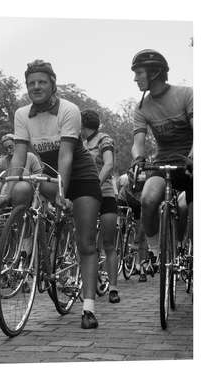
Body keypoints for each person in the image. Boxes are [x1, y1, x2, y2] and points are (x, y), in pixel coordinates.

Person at [8, 60, 102, 329]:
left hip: (81, 178)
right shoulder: (22, 114)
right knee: (23, 187)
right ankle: (28, 245)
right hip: (51, 176)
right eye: (31, 83)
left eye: (42, 82)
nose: (36, 87)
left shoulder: (69, 110)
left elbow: (66, 154)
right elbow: (20, 154)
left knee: (85, 242)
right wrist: (13, 181)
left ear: (52, 84)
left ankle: (88, 308)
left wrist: (62, 191)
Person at [130, 49, 193, 265]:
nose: (135, 78)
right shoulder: (141, 108)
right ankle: (156, 252)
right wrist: (138, 159)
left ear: (155, 72)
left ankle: (185, 249)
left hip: (190, 159)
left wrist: (194, 158)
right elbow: (138, 143)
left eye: (139, 73)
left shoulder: (186, 94)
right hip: (163, 160)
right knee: (148, 199)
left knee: (193, 209)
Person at [81, 109, 120, 303]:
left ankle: (113, 288)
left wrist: (94, 184)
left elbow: (109, 164)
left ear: (82, 125)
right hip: (85, 198)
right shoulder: (79, 144)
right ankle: (88, 281)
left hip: (104, 194)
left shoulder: (104, 139)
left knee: (108, 243)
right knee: (84, 243)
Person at [0, 133, 42, 207]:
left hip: (29, 194)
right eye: (6, 149)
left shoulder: (30, 157)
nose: (9, 150)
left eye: (11, 147)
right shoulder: (3, 161)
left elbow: (40, 175)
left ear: (17, 145)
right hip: (8, 196)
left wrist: (30, 180)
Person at [117, 173, 148, 281]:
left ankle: (142, 269)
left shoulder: (146, 188)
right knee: (123, 229)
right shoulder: (124, 180)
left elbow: (143, 221)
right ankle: (129, 259)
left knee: (141, 236)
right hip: (125, 200)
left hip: (140, 205)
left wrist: (137, 241)